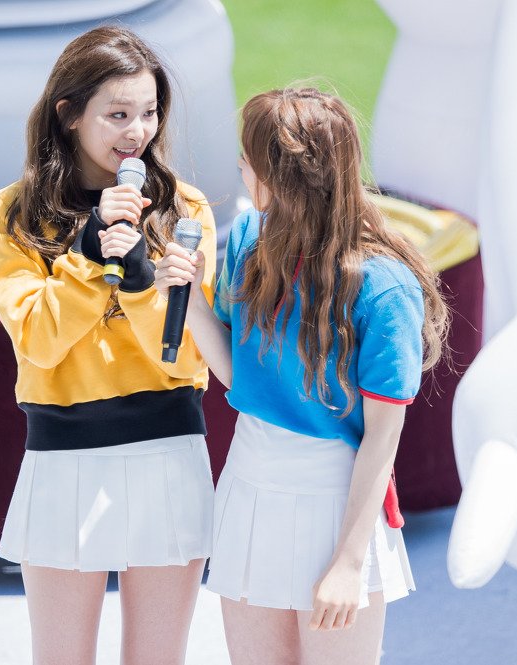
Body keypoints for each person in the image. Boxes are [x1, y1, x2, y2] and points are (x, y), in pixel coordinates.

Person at [155, 87, 449, 665]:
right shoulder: (248, 239)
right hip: (249, 485)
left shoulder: (384, 287)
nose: (241, 169)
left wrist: (349, 562)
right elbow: (243, 379)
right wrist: (189, 302)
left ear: (282, 177)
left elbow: (383, 437)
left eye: (249, 160)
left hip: (335, 502)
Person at [0, 26, 217, 665]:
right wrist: (88, 256)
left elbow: (184, 354)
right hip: (64, 454)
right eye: (117, 114)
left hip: (166, 449)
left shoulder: (185, 209)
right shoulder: (12, 213)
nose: (137, 131)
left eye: (149, 112)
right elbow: (38, 340)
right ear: (70, 114)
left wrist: (140, 284)